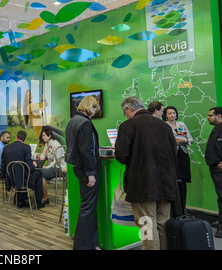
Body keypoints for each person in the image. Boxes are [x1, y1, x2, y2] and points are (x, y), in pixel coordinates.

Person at [115, 96, 177, 250]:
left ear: (129, 109)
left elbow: (121, 156)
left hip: (143, 185)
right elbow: (173, 152)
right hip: (167, 183)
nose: (126, 116)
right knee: (163, 223)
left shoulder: (128, 126)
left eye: (125, 113)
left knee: (147, 225)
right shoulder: (164, 126)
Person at [65, 95, 101, 250]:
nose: (94, 112)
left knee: (88, 208)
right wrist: (91, 173)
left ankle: (91, 244)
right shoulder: (85, 123)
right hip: (87, 171)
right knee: (88, 209)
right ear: (89, 106)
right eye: (94, 108)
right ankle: (82, 246)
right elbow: (86, 150)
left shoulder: (73, 120)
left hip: (78, 168)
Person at [0, 130, 48, 208]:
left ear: (16, 138)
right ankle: (38, 202)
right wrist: (34, 166)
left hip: (11, 179)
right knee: (38, 173)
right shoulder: (26, 147)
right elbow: (29, 166)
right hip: (23, 179)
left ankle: (20, 200)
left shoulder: (6, 148)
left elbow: (3, 165)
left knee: (21, 174)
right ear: (24, 140)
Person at [162, 105, 194, 215]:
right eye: (169, 113)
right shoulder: (163, 126)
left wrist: (184, 141)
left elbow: (191, 139)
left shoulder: (182, 124)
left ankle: (183, 208)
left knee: (183, 182)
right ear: (165, 115)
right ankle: (175, 209)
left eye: (174, 113)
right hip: (171, 156)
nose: (172, 115)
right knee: (173, 182)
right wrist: (173, 142)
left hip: (183, 155)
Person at [205, 107, 222, 238]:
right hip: (215, 167)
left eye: (210, 115)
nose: (208, 117)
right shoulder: (217, 128)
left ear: (219, 116)